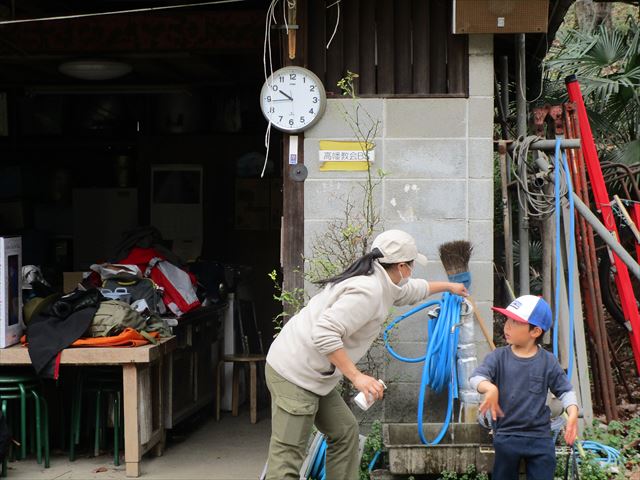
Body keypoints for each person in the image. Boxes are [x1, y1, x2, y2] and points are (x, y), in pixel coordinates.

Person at [264, 229, 468, 479]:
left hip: (315, 374)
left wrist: (449, 287)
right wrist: (357, 376)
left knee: (344, 432)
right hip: (294, 371)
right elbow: (324, 333)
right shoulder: (368, 290)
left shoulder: (381, 280)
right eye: (412, 265)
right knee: (288, 456)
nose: (412, 271)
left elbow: (410, 291)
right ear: (402, 266)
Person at [470, 295, 579, 480]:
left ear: (535, 331)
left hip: (540, 438)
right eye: (507, 320)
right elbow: (476, 378)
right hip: (506, 435)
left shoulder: (548, 361)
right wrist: (489, 388)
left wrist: (573, 414)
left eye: (515, 322)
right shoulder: (498, 357)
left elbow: (566, 391)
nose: (507, 326)